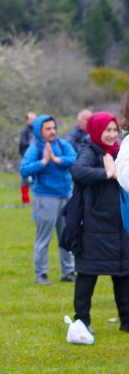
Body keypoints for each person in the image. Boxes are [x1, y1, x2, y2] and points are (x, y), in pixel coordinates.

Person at [69, 112, 129, 334]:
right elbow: (78, 172)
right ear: (96, 131)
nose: (112, 135)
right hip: (94, 227)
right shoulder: (90, 151)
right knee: (87, 274)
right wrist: (107, 173)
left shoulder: (122, 152)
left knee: (123, 274)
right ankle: (82, 321)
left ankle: (127, 321)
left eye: (115, 130)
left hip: (119, 223)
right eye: (108, 130)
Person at [20, 114, 77, 285]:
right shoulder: (34, 148)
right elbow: (24, 170)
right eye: (48, 129)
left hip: (66, 196)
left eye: (53, 128)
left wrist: (56, 159)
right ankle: (41, 274)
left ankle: (68, 272)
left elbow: (74, 159)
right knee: (43, 238)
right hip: (45, 198)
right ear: (39, 131)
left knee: (66, 237)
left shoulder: (62, 144)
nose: (52, 131)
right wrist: (44, 161)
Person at [19, 112, 37, 205]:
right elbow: (22, 144)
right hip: (27, 158)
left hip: (37, 160)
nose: (33, 121)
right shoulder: (24, 131)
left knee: (36, 180)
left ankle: (37, 199)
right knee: (25, 180)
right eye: (31, 119)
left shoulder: (38, 131)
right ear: (27, 120)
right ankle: (25, 200)